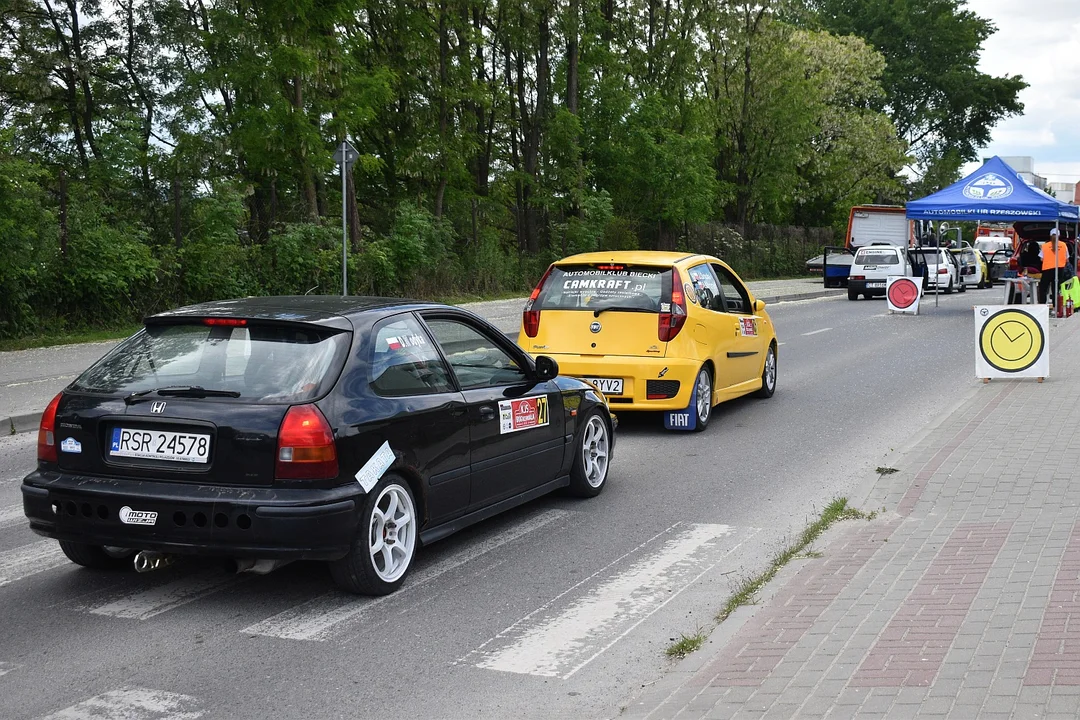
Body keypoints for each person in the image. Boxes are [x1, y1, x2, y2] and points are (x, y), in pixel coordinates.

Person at [1038, 228, 1069, 306]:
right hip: (1059, 269)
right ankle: (1056, 307)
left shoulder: (1045, 246)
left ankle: (1042, 305)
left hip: (1047, 269)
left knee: (1043, 288)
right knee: (1056, 289)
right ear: (1059, 236)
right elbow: (1067, 259)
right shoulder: (1064, 245)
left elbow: (1041, 259)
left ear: (1050, 236)